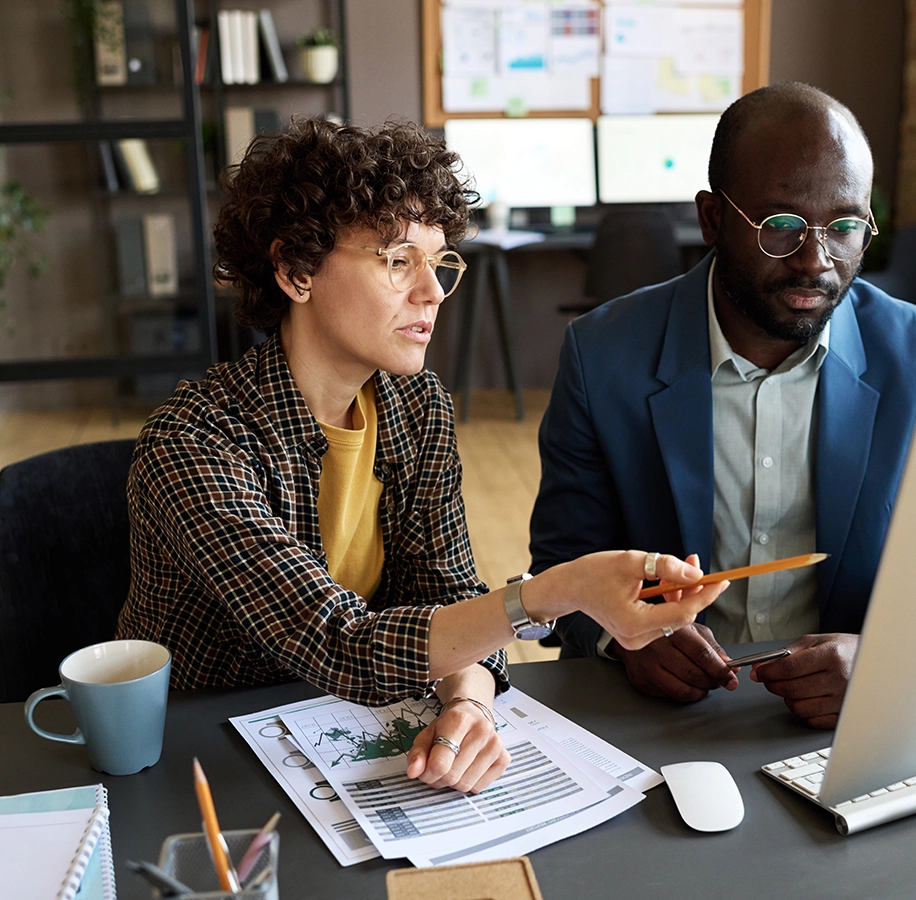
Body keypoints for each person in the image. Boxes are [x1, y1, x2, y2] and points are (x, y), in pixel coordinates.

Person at [115, 117, 725, 795]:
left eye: (439, 263)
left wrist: (468, 704)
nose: (432, 292)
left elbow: (452, 593)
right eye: (398, 260)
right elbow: (337, 641)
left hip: (352, 741)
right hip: (196, 761)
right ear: (295, 271)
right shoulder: (195, 442)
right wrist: (562, 590)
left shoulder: (415, 405)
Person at [530, 83, 916, 728]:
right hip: (665, 717)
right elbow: (562, 567)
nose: (816, 261)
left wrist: (886, 659)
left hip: (848, 718)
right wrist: (623, 638)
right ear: (712, 219)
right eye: (781, 226)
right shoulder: (603, 354)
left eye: (844, 227)